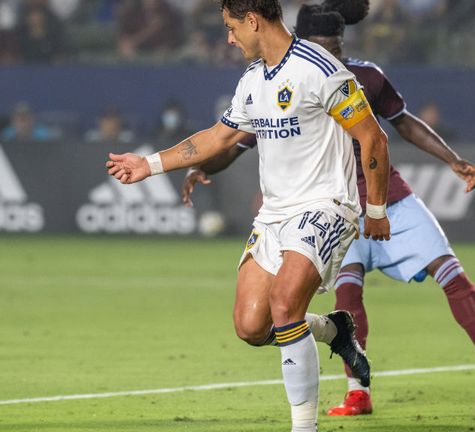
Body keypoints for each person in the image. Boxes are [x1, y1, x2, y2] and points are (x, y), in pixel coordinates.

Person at [181, 0, 475, 417]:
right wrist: (202, 167)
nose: (329, 54)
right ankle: (358, 391)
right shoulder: (285, 78)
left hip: (388, 197)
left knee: (451, 272)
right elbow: (236, 140)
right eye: (321, 45)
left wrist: (452, 159)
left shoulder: (362, 76)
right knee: (347, 293)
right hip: (330, 208)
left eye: (335, 46)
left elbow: (402, 123)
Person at [105, 1, 391, 430]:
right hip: (275, 214)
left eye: (231, 27)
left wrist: (376, 209)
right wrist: (151, 164)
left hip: (326, 205)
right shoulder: (253, 80)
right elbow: (219, 137)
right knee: (251, 326)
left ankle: (304, 426)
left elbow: (373, 137)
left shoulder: (321, 69)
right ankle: (335, 330)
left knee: (284, 305)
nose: (229, 38)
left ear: (253, 20)